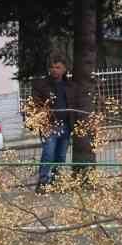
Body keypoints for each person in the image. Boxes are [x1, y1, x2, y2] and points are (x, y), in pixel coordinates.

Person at [31, 55, 76, 187]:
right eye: (52, 67)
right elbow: (36, 103)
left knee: (60, 156)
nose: (54, 70)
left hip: (66, 126)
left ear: (64, 69)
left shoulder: (70, 85)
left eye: (58, 67)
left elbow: (75, 104)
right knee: (48, 154)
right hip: (49, 126)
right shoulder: (42, 85)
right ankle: (43, 182)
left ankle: (56, 181)